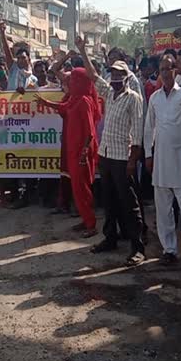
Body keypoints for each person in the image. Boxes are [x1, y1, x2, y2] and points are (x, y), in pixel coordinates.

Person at [76, 37, 146, 266]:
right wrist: (82, 50)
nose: (115, 78)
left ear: (127, 78)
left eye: (118, 75)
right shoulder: (110, 94)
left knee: (129, 203)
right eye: (113, 75)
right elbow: (93, 75)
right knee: (109, 201)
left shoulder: (133, 98)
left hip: (122, 158)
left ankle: (138, 247)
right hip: (106, 155)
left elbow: (137, 133)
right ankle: (110, 238)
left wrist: (132, 161)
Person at [144, 54, 181, 268]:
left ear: (175, 71)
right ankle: (169, 249)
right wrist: (148, 155)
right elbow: (149, 128)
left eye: (169, 69)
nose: (165, 73)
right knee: (163, 209)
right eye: (162, 69)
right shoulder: (155, 98)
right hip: (160, 161)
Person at [36, 68, 101, 237]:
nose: (69, 83)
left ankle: (91, 225)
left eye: (72, 80)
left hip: (81, 152)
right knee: (77, 188)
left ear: (80, 82)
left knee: (82, 188)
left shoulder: (85, 101)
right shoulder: (75, 99)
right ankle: (86, 220)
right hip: (74, 149)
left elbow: (90, 132)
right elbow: (64, 107)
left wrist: (84, 152)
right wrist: (46, 103)